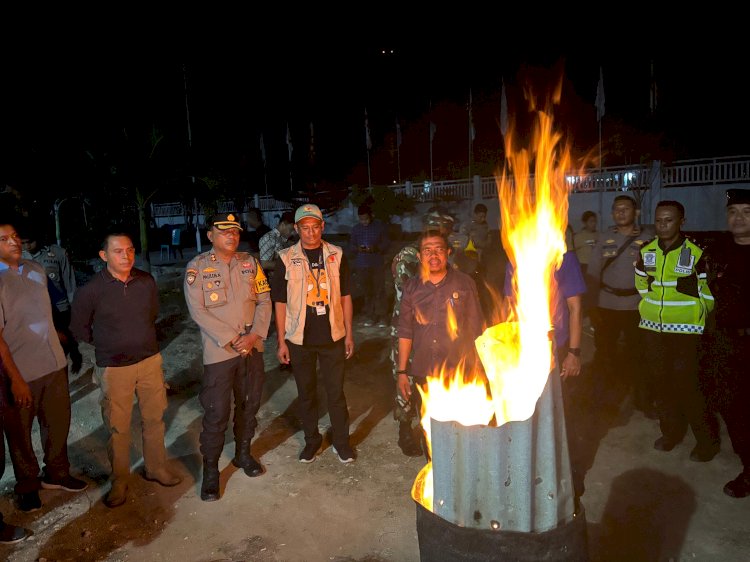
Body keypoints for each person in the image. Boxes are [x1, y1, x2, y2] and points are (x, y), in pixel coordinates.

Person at [70, 232, 183, 508]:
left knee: (154, 417)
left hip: (149, 361)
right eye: (118, 251)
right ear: (103, 256)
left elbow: (152, 313)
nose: (126, 256)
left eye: (130, 250)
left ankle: (156, 468)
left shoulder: (145, 281)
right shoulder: (92, 290)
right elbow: (79, 327)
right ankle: (120, 479)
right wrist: (108, 343)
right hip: (114, 367)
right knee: (118, 426)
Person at [0, 221, 87, 512]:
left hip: (53, 364)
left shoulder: (35, 271)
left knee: (58, 423)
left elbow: (44, 316)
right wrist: (15, 379)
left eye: (14, 236)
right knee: (20, 433)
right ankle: (26, 484)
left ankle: (57, 474)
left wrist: (68, 343)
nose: (13, 241)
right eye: (3, 239)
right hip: (21, 371)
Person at [184, 212, 272, 501]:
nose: (231, 236)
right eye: (224, 232)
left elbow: (264, 300)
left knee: (249, 404)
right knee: (217, 412)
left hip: (251, 348)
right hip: (220, 352)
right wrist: (234, 339)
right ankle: (211, 471)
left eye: (235, 231)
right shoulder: (197, 268)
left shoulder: (250, 263)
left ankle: (243, 455)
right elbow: (198, 312)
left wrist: (254, 335)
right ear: (211, 236)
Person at [271, 203, 356, 464]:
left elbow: (346, 296)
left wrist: (349, 334)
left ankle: (341, 443)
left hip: (333, 336)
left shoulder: (337, 254)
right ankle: (312, 441)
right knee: (306, 393)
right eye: (305, 228)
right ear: (297, 229)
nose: (310, 233)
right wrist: (282, 340)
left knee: (336, 393)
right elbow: (280, 302)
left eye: (315, 227)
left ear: (322, 227)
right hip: (299, 339)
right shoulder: (285, 257)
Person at [635, 200, 719, 462]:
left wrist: (698, 315)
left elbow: (708, 292)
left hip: (686, 331)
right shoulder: (647, 250)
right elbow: (641, 282)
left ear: (681, 222)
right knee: (662, 385)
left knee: (690, 387)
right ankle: (670, 434)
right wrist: (650, 306)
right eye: (659, 220)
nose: (662, 225)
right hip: (653, 329)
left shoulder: (695, 252)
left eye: (668, 220)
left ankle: (706, 442)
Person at [504, 247, 586, 500]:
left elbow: (575, 308)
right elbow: (510, 305)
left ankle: (570, 477)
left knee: (563, 415)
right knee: (528, 413)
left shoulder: (564, 258)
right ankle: (531, 474)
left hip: (557, 349)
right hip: (524, 349)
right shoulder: (516, 254)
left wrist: (574, 352)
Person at [396, 229, 484, 458]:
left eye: (438, 249)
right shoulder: (411, 288)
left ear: (448, 253)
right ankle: (435, 475)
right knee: (430, 428)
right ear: (419, 256)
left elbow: (476, 329)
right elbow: (405, 331)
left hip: (458, 369)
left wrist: (479, 367)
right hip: (424, 370)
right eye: (427, 250)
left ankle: (459, 476)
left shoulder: (464, 283)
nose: (433, 255)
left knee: (460, 427)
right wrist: (402, 371)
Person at [389, 207, 456, 456]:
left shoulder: (446, 254)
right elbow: (411, 289)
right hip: (407, 328)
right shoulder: (408, 255)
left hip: (437, 330)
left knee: (435, 380)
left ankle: (434, 427)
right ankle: (405, 429)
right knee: (404, 379)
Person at [586, 196, 656, 416]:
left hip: (636, 306)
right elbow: (593, 273)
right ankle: (606, 401)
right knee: (606, 354)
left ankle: (642, 400)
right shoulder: (605, 238)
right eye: (616, 209)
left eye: (625, 209)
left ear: (635, 212)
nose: (620, 213)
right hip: (607, 305)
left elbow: (655, 273)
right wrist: (592, 306)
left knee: (639, 355)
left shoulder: (648, 237)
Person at [701, 188, 750, 497]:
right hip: (727, 345)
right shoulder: (718, 251)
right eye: (733, 212)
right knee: (734, 410)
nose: (738, 218)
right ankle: (748, 469)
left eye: (746, 212)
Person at [20, 225, 83, 374]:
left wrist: (75, 309)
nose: (27, 246)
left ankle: (62, 380)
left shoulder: (58, 254)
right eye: (22, 242)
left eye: (30, 242)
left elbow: (70, 284)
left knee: (60, 351)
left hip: (60, 310)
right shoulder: (16, 256)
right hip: (32, 314)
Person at [350, 204, 389, 327]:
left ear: (371, 216)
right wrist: (357, 248)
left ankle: (382, 316)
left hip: (376, 263)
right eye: (361, 219)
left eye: (366, 219)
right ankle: (370, 316)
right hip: (362, 264)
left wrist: (376, 248)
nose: (364, 222)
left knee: (379, 290)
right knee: (367, 291)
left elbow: (386, 243)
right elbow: (350, 245)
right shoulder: (356, 229)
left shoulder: (379, 227)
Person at [259, 211, 296, 276]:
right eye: (291, 230)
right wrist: (289, 264)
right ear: (283, 225)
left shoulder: (282, 238)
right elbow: (264, 264)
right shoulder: (269, 238)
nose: (293, 233)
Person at [573, 210, 598, 276]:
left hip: (596, 266)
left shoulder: (599, 235)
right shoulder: (578, 236)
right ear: (585, 222)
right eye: (591, 221)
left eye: (595, 221)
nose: (594, 223)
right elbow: (572, 252)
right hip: (583, 266)